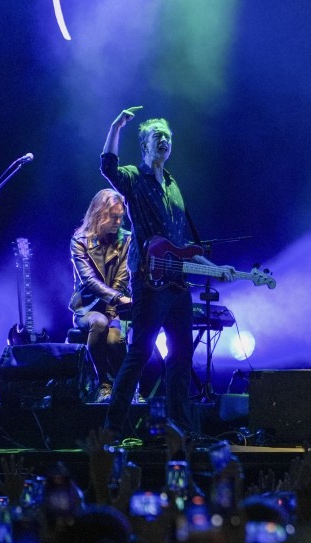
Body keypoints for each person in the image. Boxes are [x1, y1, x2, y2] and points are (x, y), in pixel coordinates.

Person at [100, 107, 234, 439]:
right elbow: (107, 167)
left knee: (181, 355)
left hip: (177, 284)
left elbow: (183, 243)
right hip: (149, 279)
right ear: (145, 144)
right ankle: (111, 429)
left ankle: (181, 431)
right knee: (141, 351)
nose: (165, 140)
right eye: (159, 135)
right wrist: (117, 126)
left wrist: (215, 269)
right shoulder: (134, 177)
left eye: (169, 137)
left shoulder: (173, 186)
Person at [69, 188, 132, 402]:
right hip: (87, 308)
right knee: (99, 323)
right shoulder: (80, 241)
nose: (117, 221)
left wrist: (115, 306)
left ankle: (125, 389)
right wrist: (116, 298)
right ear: (99, 214)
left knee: (115, 339)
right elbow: (89, 280)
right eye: (113, 217)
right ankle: (101, 384)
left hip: (116, 309)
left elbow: (122, 277)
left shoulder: (126, 240)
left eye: (120, 217)